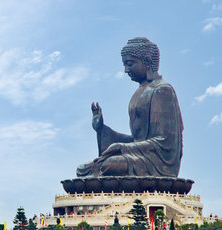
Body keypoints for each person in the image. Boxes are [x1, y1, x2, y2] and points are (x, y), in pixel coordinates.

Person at [77, 37, 183, 177]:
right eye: (125, 65)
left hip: (157, 162)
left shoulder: (162, 90)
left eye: (130, 64)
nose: (126, 70)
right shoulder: (139, 93)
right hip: (139, 156)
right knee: (82, 169)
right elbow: (135, 140)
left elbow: (165, 143)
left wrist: (123, 147)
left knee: (110, 165)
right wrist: (102, 129)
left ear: (147, 60)